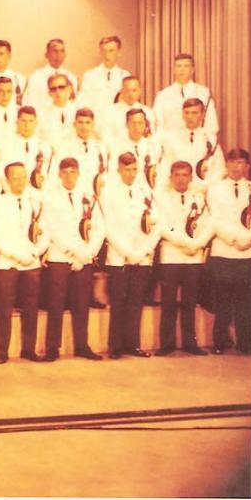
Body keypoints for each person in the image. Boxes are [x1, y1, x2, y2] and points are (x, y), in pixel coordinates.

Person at [101, 152, 162, 359]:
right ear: (118, 170)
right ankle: (116, 346)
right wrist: (128, 252)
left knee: (136, 302)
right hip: (119, 257)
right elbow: (107, 227)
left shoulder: (145, 191)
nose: (131, 173)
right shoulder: (109, 192)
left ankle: (133, 344)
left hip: (142, 256)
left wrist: (143, 251)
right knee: (118, 302)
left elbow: (156, 224)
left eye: (134, 169)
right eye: (127, 169)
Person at [43, 158, 105, 361]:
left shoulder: (89, 197)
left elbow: (100, 228)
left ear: (78, 174)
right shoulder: (51, 197)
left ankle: (82, 345)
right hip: (60, 257)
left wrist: (88, 253)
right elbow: (52, 228)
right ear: (59, 174)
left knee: (81, 304)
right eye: (65, 172)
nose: (69, 176)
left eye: (73, 172)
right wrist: (73, 252)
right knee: (56, 304)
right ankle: (52, 347)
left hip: (84, 257)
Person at [0, 162, 49, 363]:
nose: (20, 181)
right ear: (7, 180)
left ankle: (28, 349)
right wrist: (16, 255)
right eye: (15, 178)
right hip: (7, 263)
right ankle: (2, 351)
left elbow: (45, 232)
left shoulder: (35, 201)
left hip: (31, 261)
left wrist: (35, 252)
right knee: (4, 308)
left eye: (23, 177)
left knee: (31, 307)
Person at [155, 161, 213, 356]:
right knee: (168, 303)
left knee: (189, 302)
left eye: (185, 175)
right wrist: (183, 242)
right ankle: (167, 344)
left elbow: (206, 223)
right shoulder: (162, 199)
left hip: (193, 256)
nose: (181, 179)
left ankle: (190, 343)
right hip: (171, 255)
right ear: (171, 177)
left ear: (191, 177)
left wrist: (196, 244)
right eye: (177, 175)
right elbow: (164, 226)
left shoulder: (199, 199)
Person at [206, 148, 251, 355]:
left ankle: (246, 343)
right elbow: (214, 220)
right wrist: (233, 240)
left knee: (246, 301)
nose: (236, 166)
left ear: (247, 166)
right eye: (232, 162)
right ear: (226, 164)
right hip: (224, 251)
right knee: (223, 300)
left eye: (241, 162)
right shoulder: (215, 189)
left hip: (248, 252)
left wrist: (250, 240)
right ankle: (220, 341)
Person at [159, 98, 225, 193]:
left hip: (206, 190)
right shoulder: (172, 138)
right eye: (186, 113)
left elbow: (220, 170)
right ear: (182, 115)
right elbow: (166, 166)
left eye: (194, 113)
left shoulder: (211, 139)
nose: (190, 117)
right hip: (178, 189)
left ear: (202, 115)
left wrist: (205, 186)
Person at [153, 53, 219, 135]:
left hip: (198, 140)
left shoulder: (204, 93)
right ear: (174, 69)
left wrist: (198, 138)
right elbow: (158, 125)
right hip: (170, 141)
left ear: (192, 70)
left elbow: (212, 125)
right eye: (179, 66)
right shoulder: (162, 95)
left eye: (186, 66)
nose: (182, 69)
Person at [0, 106, 52, 196]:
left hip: (38, 195)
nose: (27, 125)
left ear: (36, 123)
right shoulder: (6, 145)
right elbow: (1, 173)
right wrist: (13, 193)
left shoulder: (44, 147)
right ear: (17, 122)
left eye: (31, 121)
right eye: (23, 121)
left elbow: (49, 175)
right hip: (12, 193)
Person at [78, 36, 130, 120]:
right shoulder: (90, 75)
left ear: (118, 52)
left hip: (118, 120)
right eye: (103, 51)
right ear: (100, 52)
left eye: (111, 51)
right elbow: (85, 102)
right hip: (96, 121)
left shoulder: (125, 76)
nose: (107, 55)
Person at [23, 38, 78, 109]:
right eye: (55, 51)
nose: (59, 55)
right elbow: (30, 103)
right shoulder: (36, 77)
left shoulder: (71, 77)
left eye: (62, 51)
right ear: (46, 54)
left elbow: (73, 102)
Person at [102, 76, 157, 143]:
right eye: (127, 90)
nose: (131, 94)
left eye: (134, 90)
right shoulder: (110, 112)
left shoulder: (148, 112)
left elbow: (151, 137)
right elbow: (106, 137)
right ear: (122, 91)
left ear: (140, 91)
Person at [38, 73, 77, 144]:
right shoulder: (41, 115)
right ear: (49, 93)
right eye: (53, 89)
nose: (57, 92)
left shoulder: (78, 111)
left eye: (61, 87)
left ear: (70, 89)